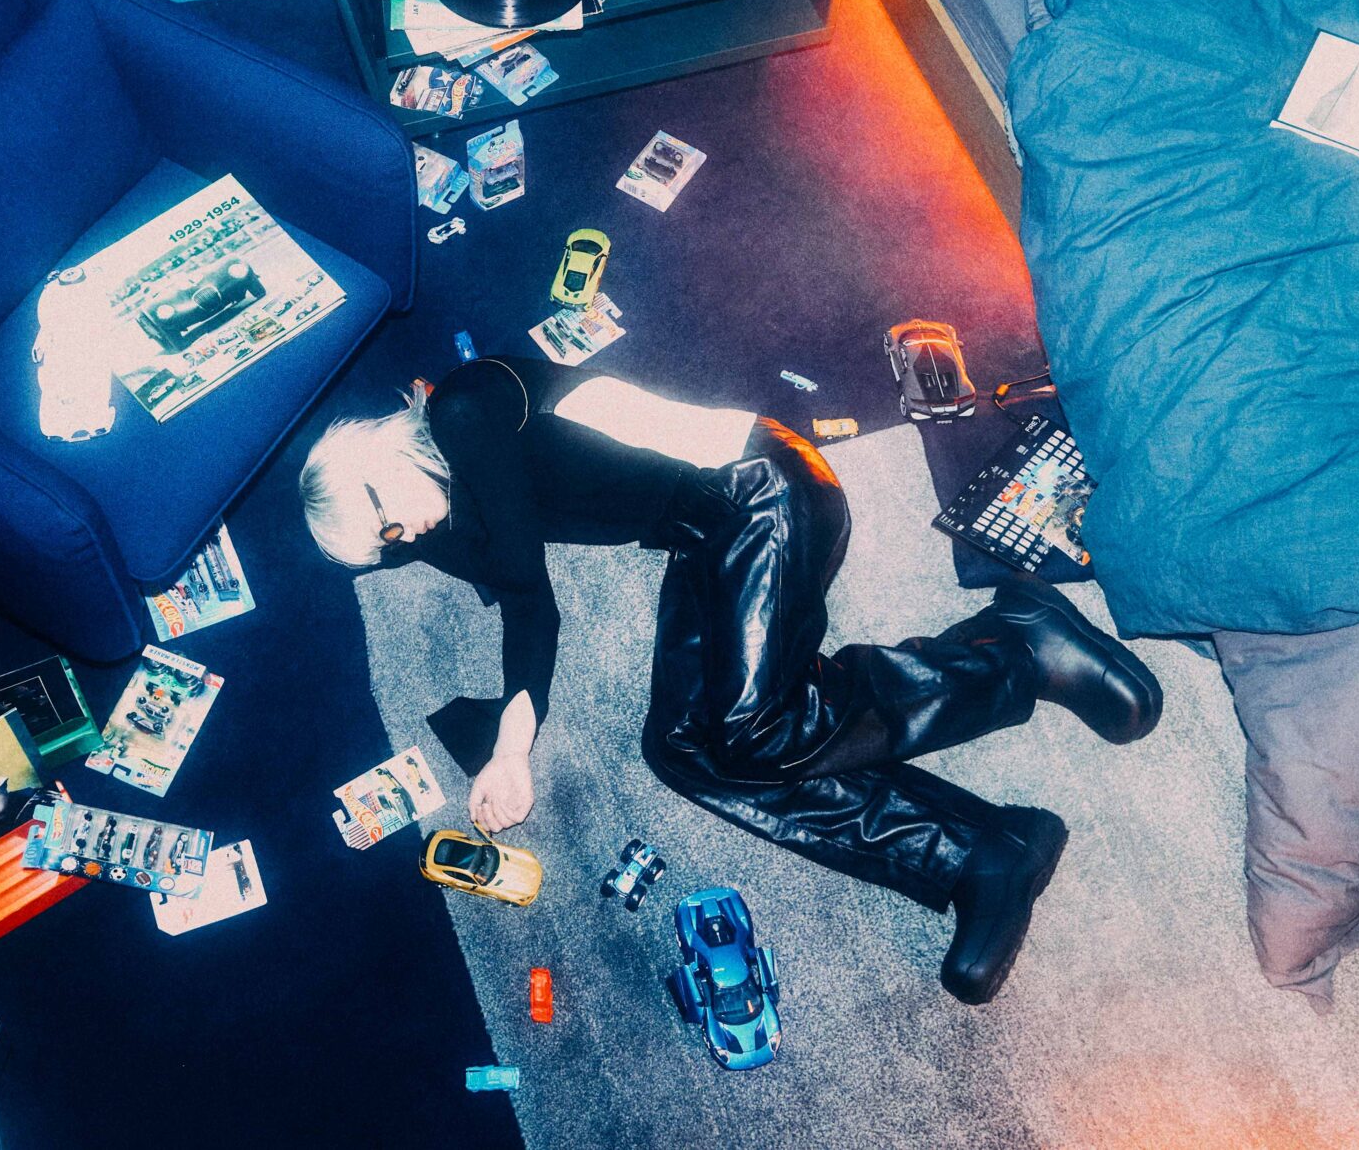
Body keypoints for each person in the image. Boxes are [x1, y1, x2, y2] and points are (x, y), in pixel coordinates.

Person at [301, 357, 1163, 1005]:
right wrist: (503, 739)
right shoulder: (425, 515)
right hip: (700, 536)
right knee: (682, 748)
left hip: (763, 486)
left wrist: (511, 745)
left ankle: (1016, 647)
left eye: (387, 525)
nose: (404, 541)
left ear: (378, 459)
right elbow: (511, 592)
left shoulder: (464, 407)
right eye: (385, 549)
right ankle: (977, 852)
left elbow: (530, 595)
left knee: (753, 729)